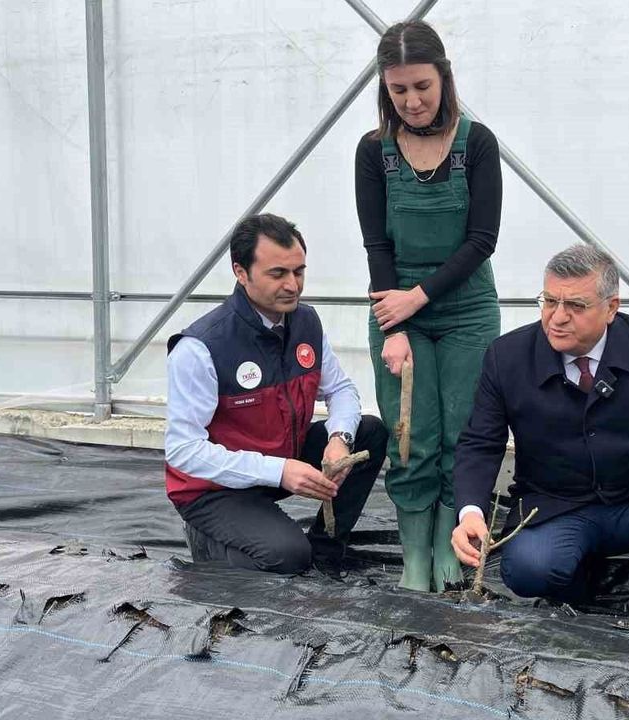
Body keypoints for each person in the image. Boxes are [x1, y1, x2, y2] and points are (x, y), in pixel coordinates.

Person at [450, 245, 629, 623]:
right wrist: (470, 511)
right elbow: (480, 442)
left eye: (576, 306)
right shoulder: (507, 356)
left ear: (611, 308)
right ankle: (578, 596)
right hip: (558, 503)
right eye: (549, 301)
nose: (557, 317)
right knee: (529, 567)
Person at [354, 21, 502, 591]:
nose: (412, 101)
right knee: (410, 435)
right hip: (395, 309)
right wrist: (394, 325)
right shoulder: (374, 152)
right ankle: (415, 557)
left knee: (461, 432)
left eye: (422, 86)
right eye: (399, 90)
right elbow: (377, 244)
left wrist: (416, 298)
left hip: (465, 308)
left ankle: (448, 548)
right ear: (384, 88)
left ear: (443, 77)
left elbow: (481, 240)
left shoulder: (477, 144)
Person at [164, 213, 387, 576]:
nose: (292, 285)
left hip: (281, 462)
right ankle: (208, 539)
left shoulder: (305, 323)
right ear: (241, 272)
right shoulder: (201, 347)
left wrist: (340, 439)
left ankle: (326, 552)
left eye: (299, 271)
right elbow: (183, 451)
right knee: (287, 556)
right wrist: (279, 471)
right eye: (278, 274)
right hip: (215, 489)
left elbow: (341, 389)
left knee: (369, 432)